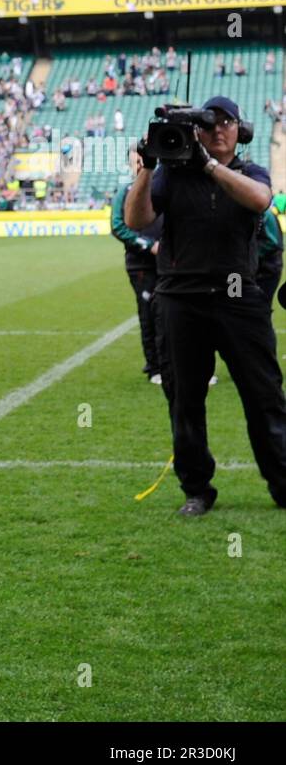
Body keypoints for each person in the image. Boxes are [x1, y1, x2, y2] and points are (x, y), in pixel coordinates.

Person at [125, 96, 286, 515]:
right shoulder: (171, 176)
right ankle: (197, 490)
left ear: (240, 130)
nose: (218, 130)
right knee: (185, 400)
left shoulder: (249, 171)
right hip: (180, 299)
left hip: (239, 298)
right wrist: (146, 171)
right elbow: (136, 221)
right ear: (196, 129)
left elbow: (260, 200)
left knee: (264, 395)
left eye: (226, 122)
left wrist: (208, 166)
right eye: (209, 123)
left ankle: (283, 483)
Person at [110, 165, 164, 383]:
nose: (143, 164)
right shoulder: (125, 192)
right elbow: (117, 226)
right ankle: (155, 367)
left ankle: (186, 366)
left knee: (180, 313)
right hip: (141, 265)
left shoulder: (165, 187)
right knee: (149, 314)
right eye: (138, 160)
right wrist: (147, 245)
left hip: (173, 263)